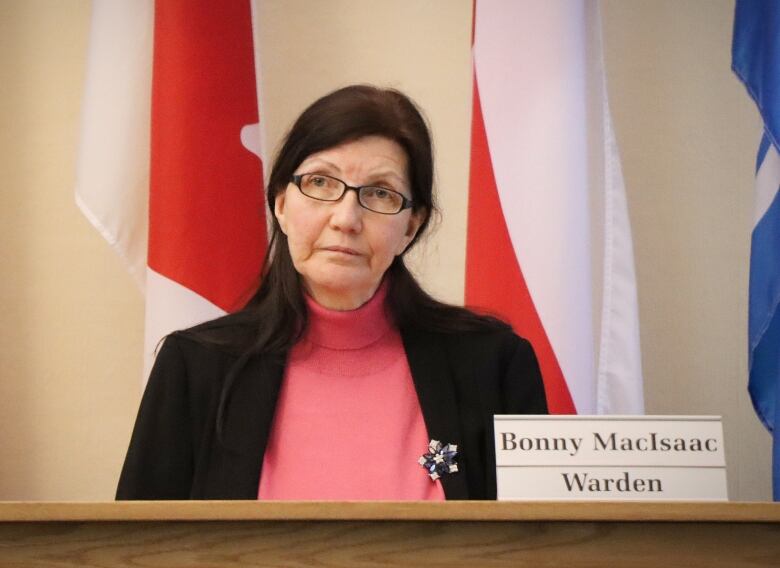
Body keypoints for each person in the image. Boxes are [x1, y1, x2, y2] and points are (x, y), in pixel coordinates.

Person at [116, 85, 548, 501]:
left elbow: (542, 547)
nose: (346, 218)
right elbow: (139, 549)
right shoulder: (195, 369)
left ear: (411, 226)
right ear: (282, 204)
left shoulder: (493, 367)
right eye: (321, 183)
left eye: (380, 193)